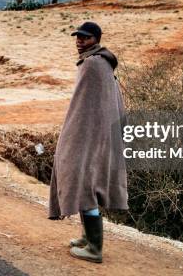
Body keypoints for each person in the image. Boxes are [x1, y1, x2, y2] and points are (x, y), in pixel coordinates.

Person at [48, 21, 128, 264]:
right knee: (85, 181)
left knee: (83, 179)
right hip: (100, 135)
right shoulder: (100, 62)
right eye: (78, 37)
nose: (80, 41)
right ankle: (86, 238)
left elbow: (84, 109)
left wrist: (73, 134)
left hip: (90, 136)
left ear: (96, 39)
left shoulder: (93, 64)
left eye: (85, 38)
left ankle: (95, 248)